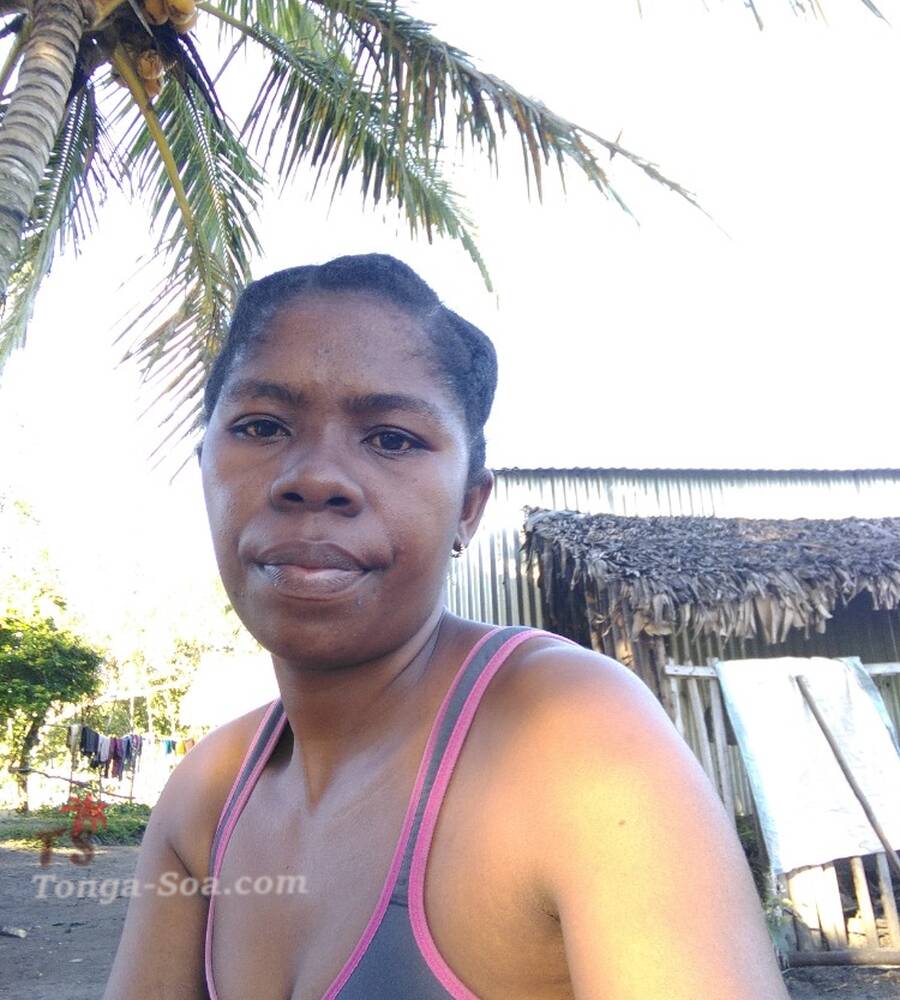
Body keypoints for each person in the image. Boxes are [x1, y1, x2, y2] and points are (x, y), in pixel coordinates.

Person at [104, 254, 789, 999]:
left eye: (392, 438)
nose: (315, 477)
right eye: (262, 426)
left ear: (468, 507)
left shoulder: (566, 737)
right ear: (205, 467)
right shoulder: (205, 797)